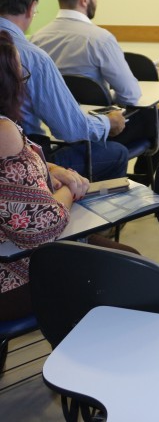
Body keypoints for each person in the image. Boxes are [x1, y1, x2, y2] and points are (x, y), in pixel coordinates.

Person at [0, 30, 138, 324]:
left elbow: (11, 173)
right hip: (11, 275)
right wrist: (71, 191)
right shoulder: (3, 131)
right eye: (20, 77)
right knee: (132, 268)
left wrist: (51, 169)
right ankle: (99, 358)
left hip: (12, 254)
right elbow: (43, 227)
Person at [31, 0, 159, 176]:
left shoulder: (36, 39)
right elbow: (130, 95)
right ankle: (143, 183)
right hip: (99, 131)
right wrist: (111, 99)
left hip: (54, 132)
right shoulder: (99, 38)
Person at [0, 0, 128, 181]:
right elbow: (70, 129)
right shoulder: (33, 57)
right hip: (26, 159)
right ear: (32, 8)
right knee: (117, 153)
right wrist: (108, 123)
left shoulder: (38, 39)